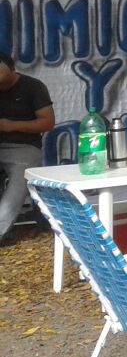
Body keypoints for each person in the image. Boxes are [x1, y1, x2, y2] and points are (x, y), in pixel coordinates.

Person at [0, 52, 54, 243]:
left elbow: (47, 123)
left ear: (12, 69)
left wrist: (11, 125)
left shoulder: (33, 87)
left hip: (24, 147)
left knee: (18, 186)